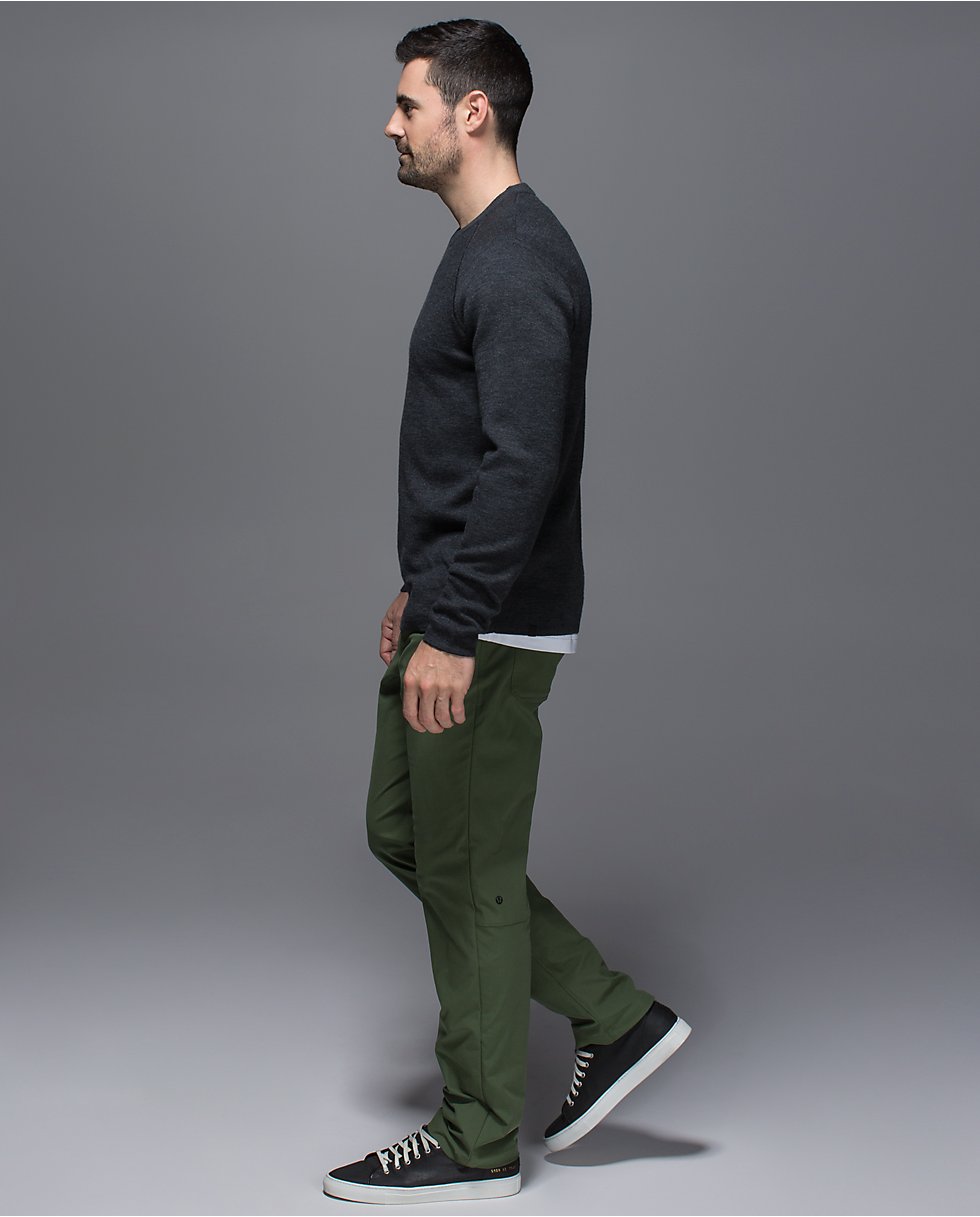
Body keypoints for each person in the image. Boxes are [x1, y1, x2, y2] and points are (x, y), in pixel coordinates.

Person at [323, 17, 691, 1206]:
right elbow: (476, 453)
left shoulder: (519, 260)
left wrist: (455, 623)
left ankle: (478, 1134)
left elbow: (523, 463)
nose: (389, 123)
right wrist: (425, 582)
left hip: (487, 625)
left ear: (470, 111)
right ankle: (614, 1016)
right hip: (460, 601)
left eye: (408, 103)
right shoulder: (482, 250)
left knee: (470, 865)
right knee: (409, 834)